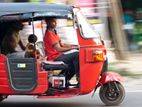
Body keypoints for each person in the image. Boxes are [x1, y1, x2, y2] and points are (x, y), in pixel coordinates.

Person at [43, 18, 79, 87]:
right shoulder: (49, 34)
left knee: (73, 60)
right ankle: (79, 78)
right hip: (54, 58)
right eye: (53, 21)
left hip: (58, 55)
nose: (55, 22)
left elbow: (62, 44)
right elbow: (59, 49)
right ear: (48, 23)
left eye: (55, 21)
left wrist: (75, 45)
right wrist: (72, 48)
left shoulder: (53, 32)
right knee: (77, 55)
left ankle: (65, 79)